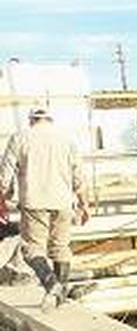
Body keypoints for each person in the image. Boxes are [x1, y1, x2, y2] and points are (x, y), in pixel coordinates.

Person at [0, 106, 90, 307]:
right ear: (50, 119)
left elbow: (4, 176)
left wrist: (5, 196)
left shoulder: (20, 138)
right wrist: (84, 204)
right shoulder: (67, 140)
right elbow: (79, 177)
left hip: (34, 202)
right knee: (60, 247)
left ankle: (52, 286)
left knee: (32, 250)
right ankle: (60, 296)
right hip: (63, 202)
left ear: (31, 119)